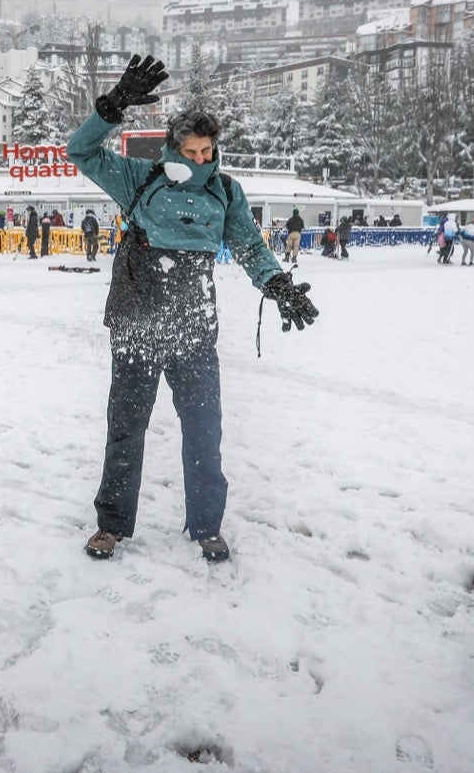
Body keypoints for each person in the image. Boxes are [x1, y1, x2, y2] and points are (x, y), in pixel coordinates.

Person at [66, 55, 318, 564]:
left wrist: (278, 284)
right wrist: (111, 108)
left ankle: (206, 526)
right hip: (137, 318)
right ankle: (112, 525)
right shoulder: (139, 179)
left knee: (204, 429)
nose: (202, 160)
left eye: (208, 151)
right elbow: (81, 151)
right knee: (126, 426)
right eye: (192, 151)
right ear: (172, 149)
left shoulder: (226, 191)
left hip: (193, 326)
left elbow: (248, 245)